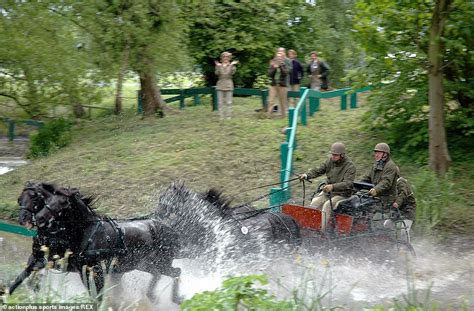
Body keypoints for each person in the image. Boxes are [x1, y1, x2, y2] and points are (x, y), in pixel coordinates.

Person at [299, 142, 356, 232]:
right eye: (332, 154)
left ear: (342, 155)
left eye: (335, 155)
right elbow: (318, 170)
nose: (333, 156)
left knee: (327, 206)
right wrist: (306, 175)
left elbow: (348, 184)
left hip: (342, 194)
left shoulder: (350, 166)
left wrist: (332, 187)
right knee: (315, 202)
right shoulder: (330, 161)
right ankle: (308, 228)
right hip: (328, 192)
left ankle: (323, 232)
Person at [360, 143, 399, 209]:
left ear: (385, 154)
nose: (376, 155)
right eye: (376, 153)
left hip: (386, 199)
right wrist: (356, 185)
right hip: (376, 197)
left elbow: (386, 182)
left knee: (373, 216)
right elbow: (367, 178)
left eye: (379, 153)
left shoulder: (390, 166)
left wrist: (376, 189)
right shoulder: (376, 165)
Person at [215, 51, 238, 120]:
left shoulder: (232, 66)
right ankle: (221, 116)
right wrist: (219, 67)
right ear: (221, 58)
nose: (225, 58)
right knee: (220, 102)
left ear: (229, 58)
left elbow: (229, 74)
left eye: (227, 57)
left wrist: (231, 65)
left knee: (229, 102)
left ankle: (228, 116)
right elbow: (218, 73)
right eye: (224, 57)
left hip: (228, 84)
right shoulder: (218, 65)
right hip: (220, 84)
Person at [267, 52, 289, 118]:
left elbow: (285, 73)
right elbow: (269, 74)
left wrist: (280, 66)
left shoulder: (284, 64)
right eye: (277, 57)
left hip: (282, 85)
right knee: (271, 101)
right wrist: (274, 68)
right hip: (273, 85)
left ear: (282, 58)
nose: (278, 58)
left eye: (280, 57)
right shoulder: (272, 64)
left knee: (282, 101)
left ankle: (283, 116)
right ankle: (269, 115)